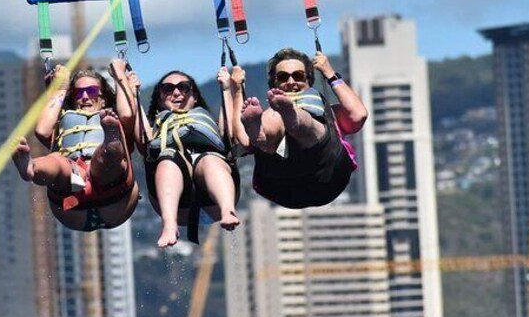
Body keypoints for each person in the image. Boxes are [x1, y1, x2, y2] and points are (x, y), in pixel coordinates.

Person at [229, 47, 367, 209]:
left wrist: (329, 72)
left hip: (328, 178)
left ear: (308, 81)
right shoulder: (272, 113)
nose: (291, 82)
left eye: (298, 76)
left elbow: (358, 115)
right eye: (282, 77)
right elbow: (244, 140)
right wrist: (237, 89)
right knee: (273, 117)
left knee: (299, 120)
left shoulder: (330, 113)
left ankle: (294, 121)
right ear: (274, 83)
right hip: (282, 185)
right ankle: (262, 137)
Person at [12, 60, 140, 231]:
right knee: (57, 161)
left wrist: (119, 75)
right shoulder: (63, 120)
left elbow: (127, 114)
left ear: (104, 99)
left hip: (114, 197)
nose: (85, 97)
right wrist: (60, 89)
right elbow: (42, 131)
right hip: (72, 203)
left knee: (106, 157)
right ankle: (32, 168)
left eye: (92, 91)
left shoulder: (118, 118)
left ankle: (110, 140)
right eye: (79, 93)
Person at [135, 68, 240, 247]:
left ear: (195, 96)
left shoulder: (209, 122)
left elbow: (228, 134)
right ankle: (169, 225)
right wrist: (132, 93)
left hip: (212, 197)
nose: (176, 92)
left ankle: (228, 210)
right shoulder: (156, 127)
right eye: (168, 89)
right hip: (179, 204)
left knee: (209, 159)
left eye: (184, 87)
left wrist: (227, 89)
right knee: (168, 158)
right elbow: (143, 140)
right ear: (160, 98)